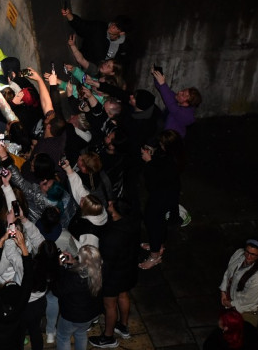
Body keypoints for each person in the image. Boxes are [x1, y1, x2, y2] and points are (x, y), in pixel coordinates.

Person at [88, 198, 140, 348]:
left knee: (110, 305)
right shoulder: (132, 223)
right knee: (123, 295)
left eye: (112, 204)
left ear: (116, 212)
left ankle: (108, 337)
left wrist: (99, 280)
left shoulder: (113, 236)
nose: (109, 203)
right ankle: (123, 326)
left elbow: (107, 264)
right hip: (128, 270)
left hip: (114, 276)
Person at [138, 130, 184, 270]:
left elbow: (155, 182)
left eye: (162, 143)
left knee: (153, 225)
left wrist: (149, 162)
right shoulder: (173, 156)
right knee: (160, 223)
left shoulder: (170, 163)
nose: (160, 145)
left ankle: (154, 255)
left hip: (161, 197)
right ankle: (158, 245)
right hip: (166, 195)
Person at [55, 245, 103, 350]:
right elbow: (87, 270)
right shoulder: (99, 271)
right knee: (81, 334)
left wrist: (61, 267)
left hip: (71, 316)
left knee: (63, 337)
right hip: (89, 315)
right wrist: (75, 263)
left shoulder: (74, 277)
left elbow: (58, 290)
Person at [219, 240, 258, 327]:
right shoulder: (239, 254)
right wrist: (223, 292)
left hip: (246, 312)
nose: (248, 256)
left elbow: (247, 301)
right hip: (230, 305)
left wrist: (229, 303)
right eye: (247, 252)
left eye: (253, 254)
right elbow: (228, 273)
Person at [61, 10, 132, 67]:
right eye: (114, 23)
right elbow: (82, 26)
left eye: (117, 27)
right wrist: (69, 15)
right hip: (79, 62)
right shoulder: (99, 27)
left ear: (121, 33)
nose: (112, 26)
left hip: (95, 74)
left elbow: (118, 65)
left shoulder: (122, 46)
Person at [152, 67, 202, 138]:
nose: (179, 92)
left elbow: (171, 105)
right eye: (183, 91)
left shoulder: (185, 115)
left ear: (186, 103)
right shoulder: (180, 101)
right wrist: (156, 75)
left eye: (183, 94)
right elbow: (166, 91)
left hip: (170, 139)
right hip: (164, 123)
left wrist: (162, 83)